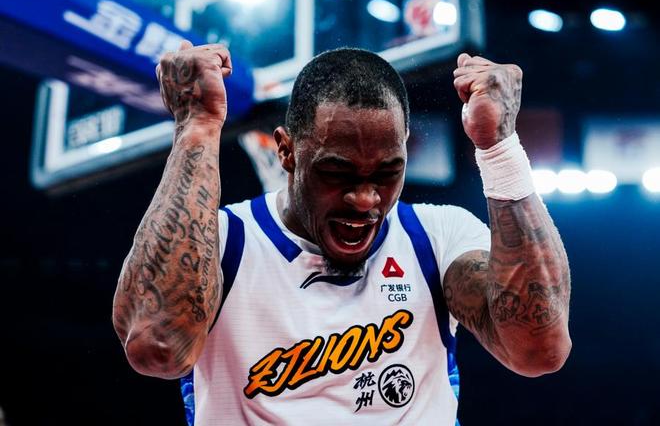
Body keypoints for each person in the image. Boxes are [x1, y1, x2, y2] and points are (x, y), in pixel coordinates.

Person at [112, 41, 571, 425]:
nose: (365, 199)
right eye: (337, 173)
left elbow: (540, 350)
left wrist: (499, 149)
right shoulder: (223, 241)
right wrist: (196, 127)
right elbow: (157, 349)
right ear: (286, 151)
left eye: (387, 173)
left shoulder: (437, 235)